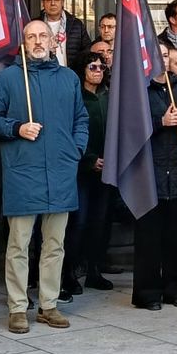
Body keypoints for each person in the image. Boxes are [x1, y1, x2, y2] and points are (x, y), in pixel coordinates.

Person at [0, 21, 88, 334]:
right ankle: (17, 307)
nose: (38, 41)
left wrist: (76, 149)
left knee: (55, 244)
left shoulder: (69, 78)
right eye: (31, 37)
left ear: (54, 42)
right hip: (22, 171)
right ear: (23, 43)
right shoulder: (8, 79)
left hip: (60, 170)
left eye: (43, 36)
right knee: (19, 244)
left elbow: (80, 118)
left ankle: (48, 304)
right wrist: (17, 128)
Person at [134, 44, 177, 310]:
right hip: (149, 174)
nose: (161, 59)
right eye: (156, 55)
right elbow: (132, 127)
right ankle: (147, 292)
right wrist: (162, 122)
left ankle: (176, 289)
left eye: (165, 55)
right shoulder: (140, 90)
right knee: (149, 236)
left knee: (176, 236)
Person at [73, 51, 116, 290]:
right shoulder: (75, 96)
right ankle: (71, 270)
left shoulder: (109, 97)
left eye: (101, 67)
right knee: (78, 222)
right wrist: (89, 160)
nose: (97, 71)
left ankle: (94, 270)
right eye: (92, 66)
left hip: (106, 169)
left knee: (100, 222)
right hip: (81, 170)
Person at [39, 0, 91, 67]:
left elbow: (87, 51)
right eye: (49, 0)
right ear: (43, 3)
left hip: (70, 75)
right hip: (43, 74)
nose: (53, 3)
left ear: (62, 2)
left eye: (56, 0)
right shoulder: (35, 25)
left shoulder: (77, 25)